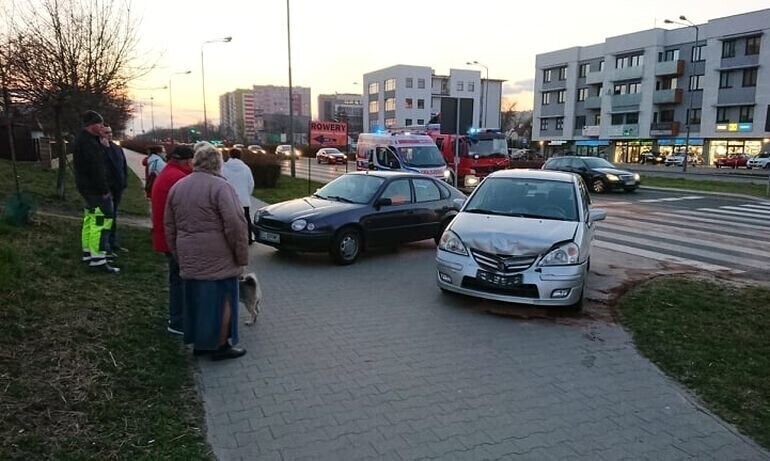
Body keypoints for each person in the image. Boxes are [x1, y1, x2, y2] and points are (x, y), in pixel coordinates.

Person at [164, 144, 249, 360]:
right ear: (218, 163)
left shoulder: (178, 187)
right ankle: (220, 346)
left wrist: (177, 253)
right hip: (219, 258)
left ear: (195, 161)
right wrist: (241, 257)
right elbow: (236, 226)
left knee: (195, 301)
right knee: (224, 301)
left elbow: (169, 225)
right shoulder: (221, 187)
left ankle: (200, 344)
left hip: (188, 255)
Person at [151, 145, 195, 335]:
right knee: (179, 281)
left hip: (166, 236)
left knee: (176, 279)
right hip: (174, 239)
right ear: (187, 161)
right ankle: (178, 322)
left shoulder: (169, 173)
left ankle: (177, 317)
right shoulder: (178, 179)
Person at [72, 110, 119, 274]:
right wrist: (104, 190)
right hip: (96, 191)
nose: (102, 126)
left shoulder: (82, 140)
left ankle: (89, 253)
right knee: (101, 223)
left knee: (90, 221)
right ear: (92, 124)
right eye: (100, 123)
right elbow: (97, 168)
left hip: (87, 189)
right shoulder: (89, 144)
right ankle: (98, 259)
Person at [102, 125, 129, 253]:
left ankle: (112, 242)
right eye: (106, 132)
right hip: (107, 189)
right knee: (107, 217)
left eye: (111, 132)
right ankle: (106, 245)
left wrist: (124, 182)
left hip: (118, 187)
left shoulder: (117, 148)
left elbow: (123, 165)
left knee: (113, 216)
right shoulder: (100, 149)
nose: (110, 135)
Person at [221, 147, 256, 244]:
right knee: (246, 219)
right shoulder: (246, 168)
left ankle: (230, 240)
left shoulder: (224, 168)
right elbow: (251, 184)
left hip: (228, 199)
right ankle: (248, 238)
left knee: (228, 221)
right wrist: (247, 194)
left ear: (229, 155)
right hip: (244, 199)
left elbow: (220, 182)